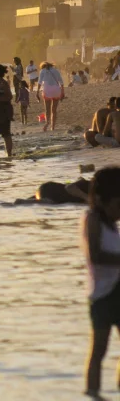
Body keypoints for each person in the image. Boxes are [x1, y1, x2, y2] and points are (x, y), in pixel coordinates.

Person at [83, 166, 120, 396]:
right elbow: (94, 255)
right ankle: (93, 393)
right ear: (100, 200)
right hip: (102, 297)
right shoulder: (92, 219)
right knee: (99, 350)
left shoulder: (112, 223)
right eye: (118, 204)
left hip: (118, 290)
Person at [14, 177, 90, 204]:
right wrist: (87, 198)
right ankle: (20, 202)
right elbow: (69, 187)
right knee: (49, 203)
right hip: (49, 190)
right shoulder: (89, 184)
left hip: (49, 193)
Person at [37, 61, 65, 132]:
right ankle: (53, 127)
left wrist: (37, 92)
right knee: (54, 110)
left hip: (47, 90)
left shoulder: (42, 71)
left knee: (47, 109)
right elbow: (61, 82)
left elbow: (40, 82)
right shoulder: (56, 70)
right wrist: (62, 92)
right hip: (56, 90)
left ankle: (47, 123)